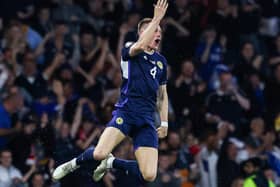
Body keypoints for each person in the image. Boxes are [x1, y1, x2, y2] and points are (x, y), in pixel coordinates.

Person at [52, 0, 169, 184]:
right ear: (142, 33)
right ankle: (74, 163)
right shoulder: (131, 50)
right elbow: (139, 46)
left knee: (149, 175)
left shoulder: (161, 62)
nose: (158, 34)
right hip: (127, 112)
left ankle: (113, 162)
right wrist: (156, 19)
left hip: (146, 119)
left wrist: (164, 122)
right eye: (154, 30)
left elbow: (163, 95)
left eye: (160, 32)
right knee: (99, 153)